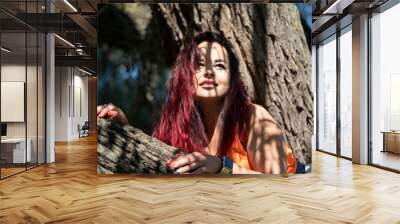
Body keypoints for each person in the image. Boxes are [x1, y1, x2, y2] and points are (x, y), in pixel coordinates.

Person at [97, 32, 296, 174]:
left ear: (232, 78)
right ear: (185, 76)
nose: (209, 72)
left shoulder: (253, 116)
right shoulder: (179, 126)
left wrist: (222, 168)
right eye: (199, 65)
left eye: (219, 65)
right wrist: (123, 130)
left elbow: (276, 187)